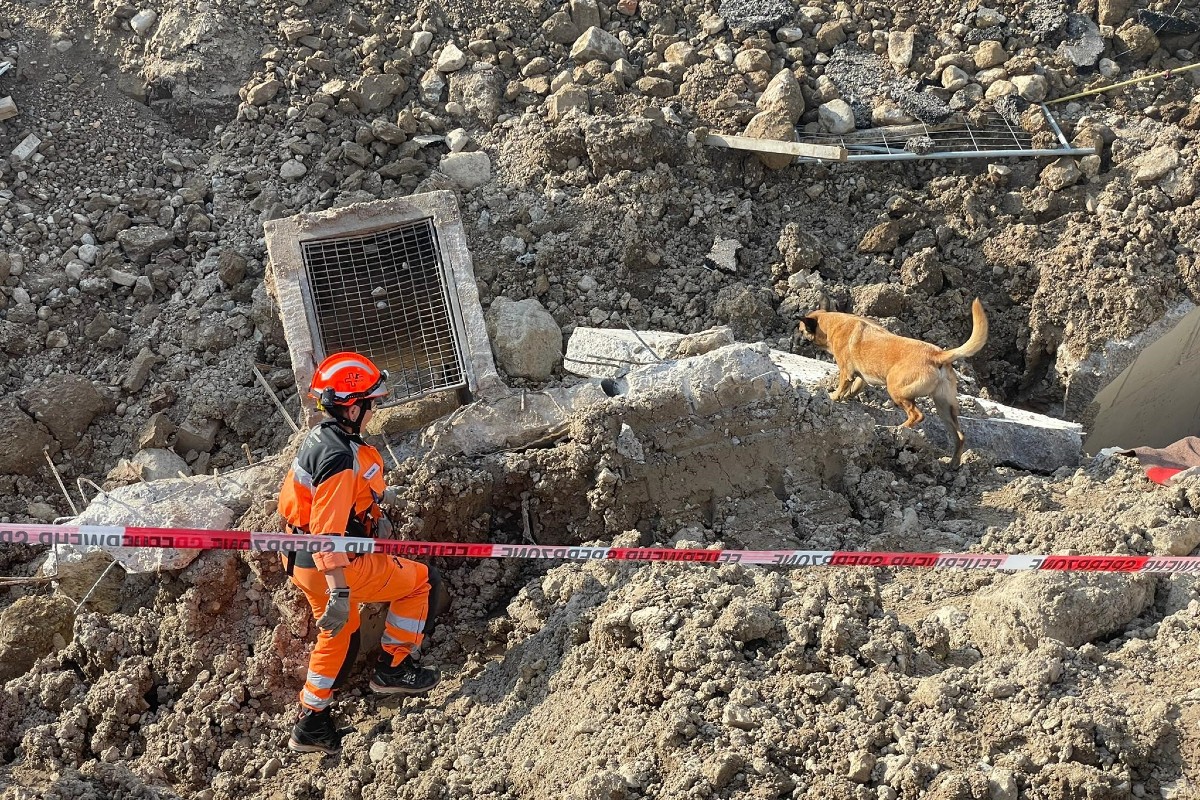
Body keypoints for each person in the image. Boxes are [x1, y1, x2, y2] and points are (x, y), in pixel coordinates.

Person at [277, 351, 451, 755]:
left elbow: (328, 499)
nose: (375, 409)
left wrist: (379, 499)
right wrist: (340, 592)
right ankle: (394, 668)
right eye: (371, 403)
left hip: (300, 560)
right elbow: (327, 535)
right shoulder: (339, 458)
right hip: (333, 565)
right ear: (352, 408)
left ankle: (311, 722)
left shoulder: (323, 439)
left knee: (341, 634)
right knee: (422, 582)